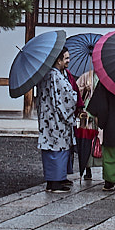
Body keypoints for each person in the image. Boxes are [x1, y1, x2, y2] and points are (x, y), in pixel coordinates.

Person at [36, 46, 80, 192]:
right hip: (57, 120)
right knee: (57, 150)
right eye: (66, 58)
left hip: (48, 118)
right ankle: (55, 183)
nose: (68, 60)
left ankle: (55, 180)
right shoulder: (55, 76)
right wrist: (77, 96)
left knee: (52, 149)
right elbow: (67, 98)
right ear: (58, 60)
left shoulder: (47, 74)